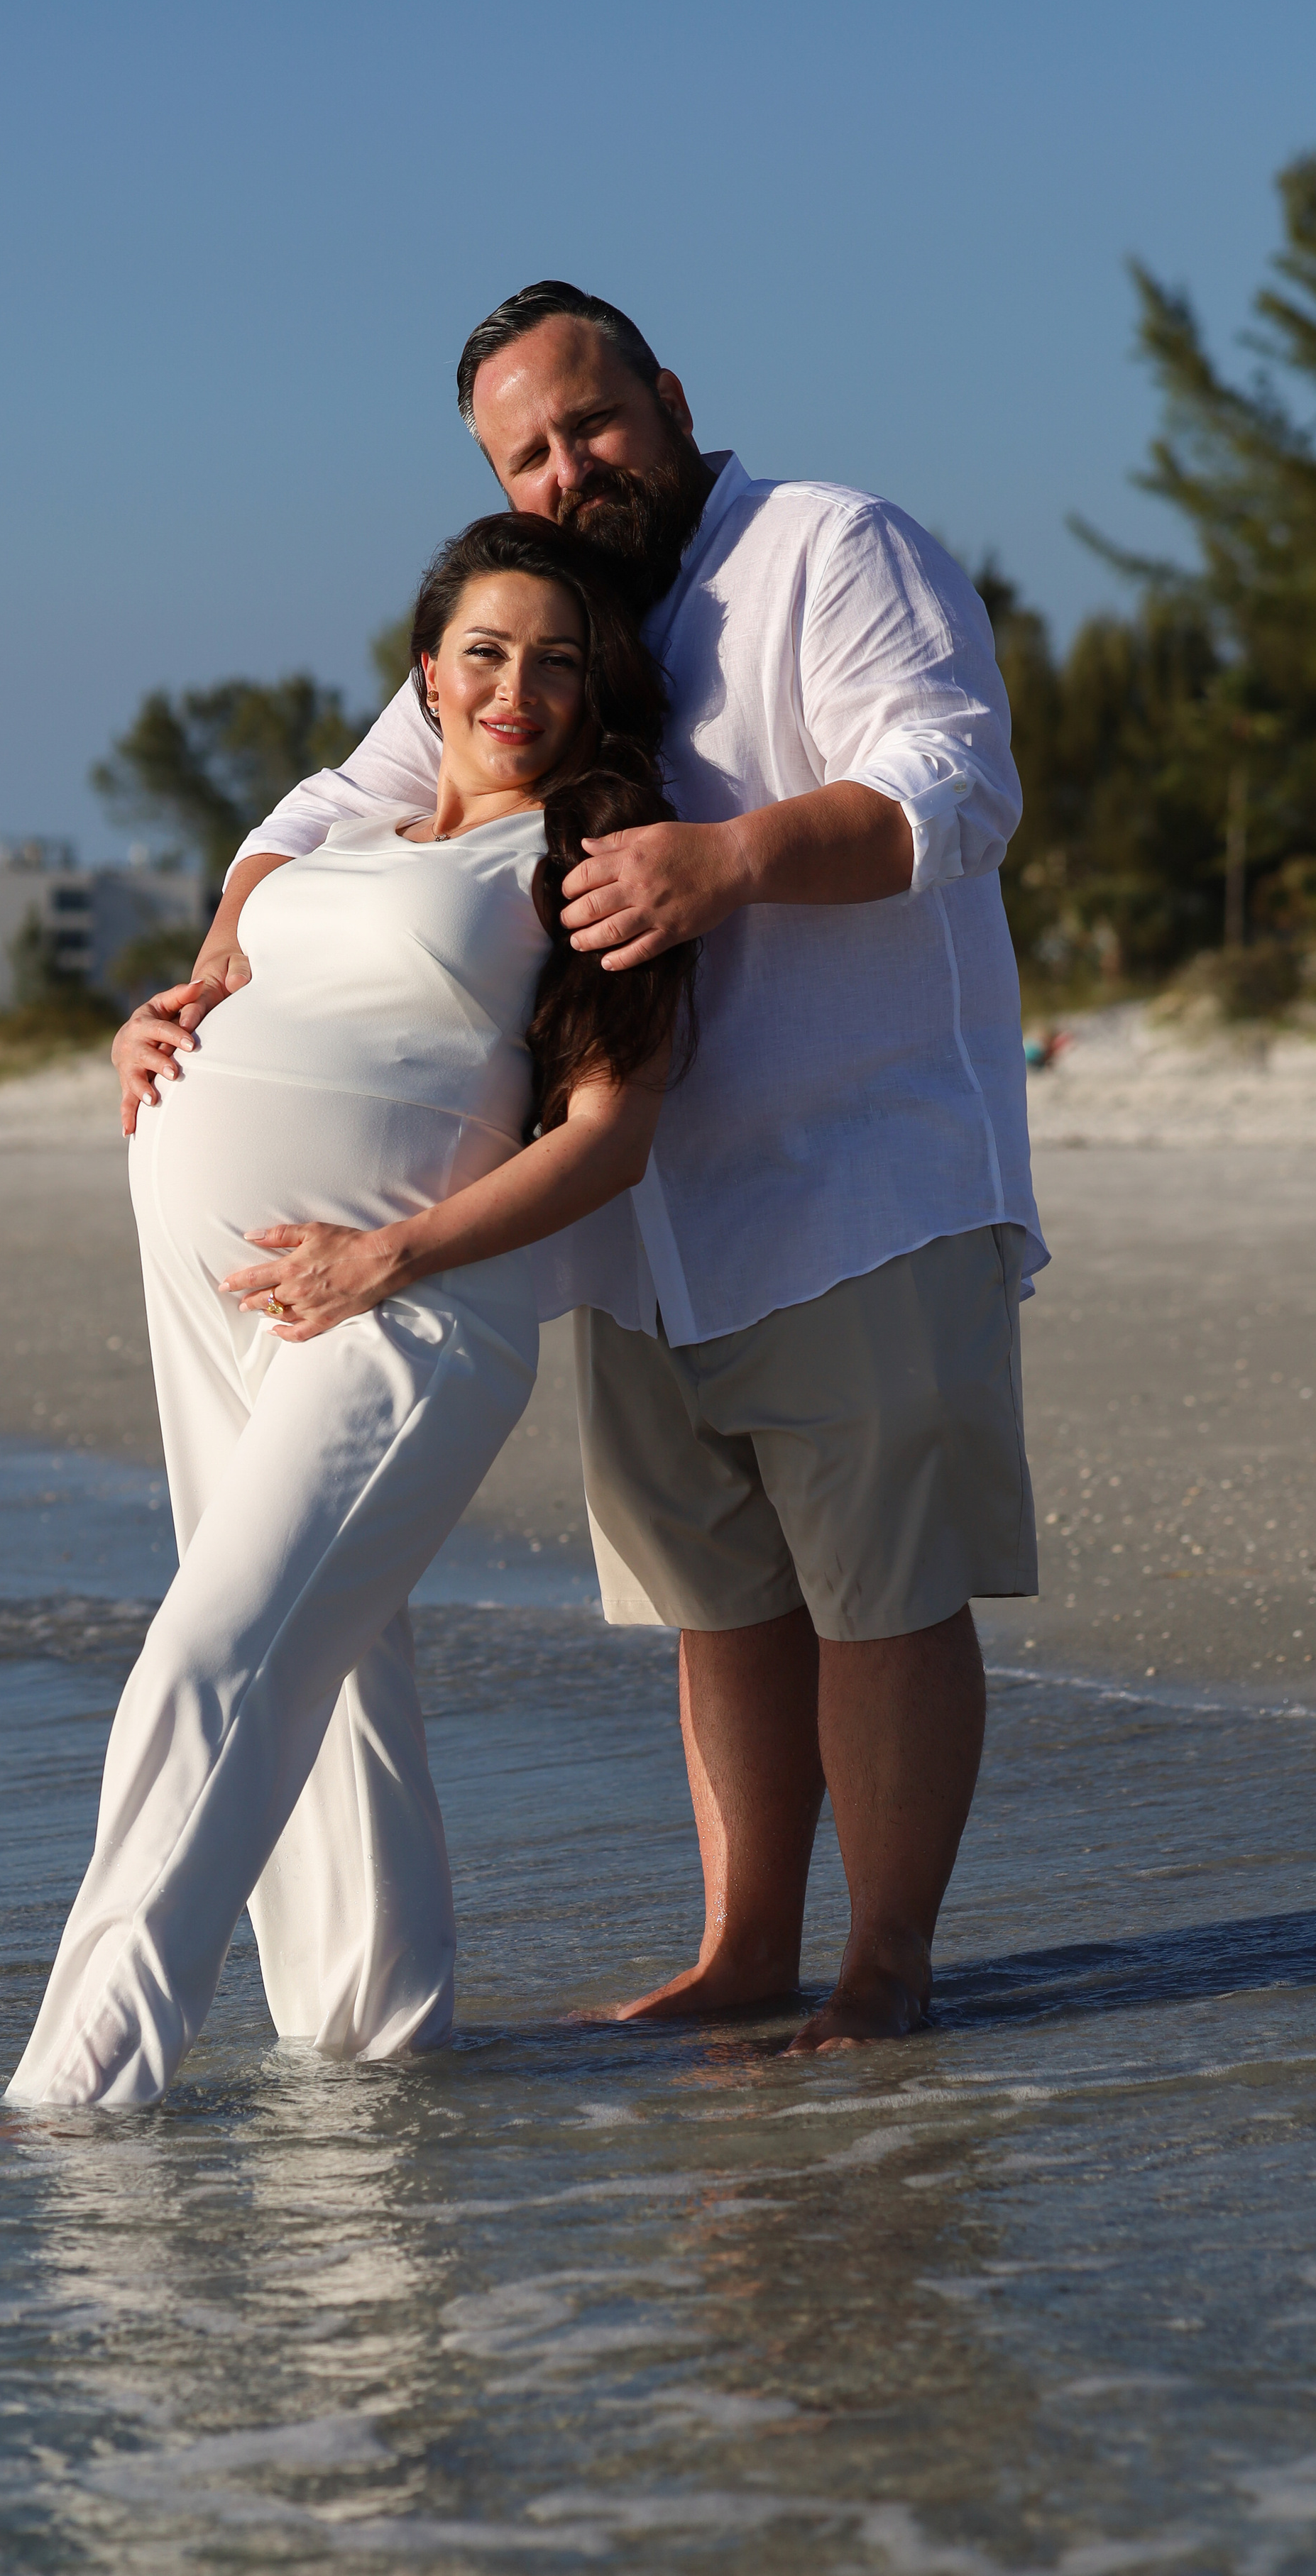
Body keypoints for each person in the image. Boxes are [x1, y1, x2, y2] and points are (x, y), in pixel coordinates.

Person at [170, 282, 1045, 2054]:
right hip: (639, 1223)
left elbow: (953, 783)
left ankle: (881, 1974)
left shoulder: (825, 545)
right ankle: (741, 1955)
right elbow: (315, 820)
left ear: (666, 395)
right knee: (717, 1600)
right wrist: (195, 985)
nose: (573, 470)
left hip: (864, 1176)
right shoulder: (542, 631)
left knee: (879, 1594)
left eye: (593, 426)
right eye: (530, 454)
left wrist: (718, 863)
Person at [7, 514, 696, 2108]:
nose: (514, 685)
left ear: (593, 692)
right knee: (329, 1684)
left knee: (211, 1659)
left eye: (553, 660)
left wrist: (386, 1259)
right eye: (483, 651)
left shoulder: (582, 868)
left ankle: (74, 2101)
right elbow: (242, 995)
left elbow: (613, 1135)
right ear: (425, 672)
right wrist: (150, 1032)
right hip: (222, 1291)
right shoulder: (338, 844)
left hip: (406, 1311)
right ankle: (378, 2058)